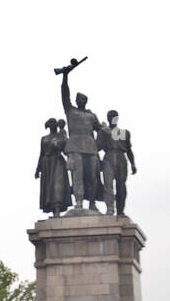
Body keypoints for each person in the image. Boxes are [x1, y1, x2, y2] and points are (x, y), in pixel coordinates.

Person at [60, 63, 102, 215]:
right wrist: (65, 76)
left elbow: (101, 130)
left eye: (83, 98)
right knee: (77, 176)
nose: (80, 100)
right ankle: (78, 201)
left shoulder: (91, 115)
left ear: (86, 101)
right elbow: (65, 94)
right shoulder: (70, 111)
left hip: (90, 148)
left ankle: (92, 202)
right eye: (79, 98)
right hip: (75, 147)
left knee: (92, 176)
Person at [98, 109, 136, 216]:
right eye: (109, 116)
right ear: (107, 118)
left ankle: (120, 211)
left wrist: (133, 163)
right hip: (108, 157)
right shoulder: (103, 132)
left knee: (121, 186)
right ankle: (110, 208)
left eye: (114, 116)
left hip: (121, 158)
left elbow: (128, 149)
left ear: (117, 118)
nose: (111, 118)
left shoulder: (124, 132)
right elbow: (97, 146)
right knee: (108, 185)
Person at [36, 118, 71, 217]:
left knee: (57, 185)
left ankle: (57, 209)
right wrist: (38, 169)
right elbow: (41, 154)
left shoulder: (61, 135)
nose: (52, 124)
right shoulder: (44, 138)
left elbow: (66, 148)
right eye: (50, 122)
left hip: (57, 162)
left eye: (54, 122)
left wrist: (63, 133)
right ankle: (52, 209)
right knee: (48, 188)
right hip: (46, 164)